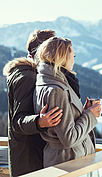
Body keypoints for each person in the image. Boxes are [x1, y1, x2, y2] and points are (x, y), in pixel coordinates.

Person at [33, 36, 102, 167]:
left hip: (64, 160)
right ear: (63, 57)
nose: (74, 61)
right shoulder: (57, 89)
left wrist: (83, 111)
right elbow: (69, 138)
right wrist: (90, 115)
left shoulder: (46, 81)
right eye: (73, 56)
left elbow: (62, 125)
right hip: (68, 162)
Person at [3, 30, 63, 177]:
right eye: (52, 49)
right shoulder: (27, 77)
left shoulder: (39, 75)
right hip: (30, 162)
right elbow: (17, 121)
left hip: (37, 159)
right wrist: (40, 121)